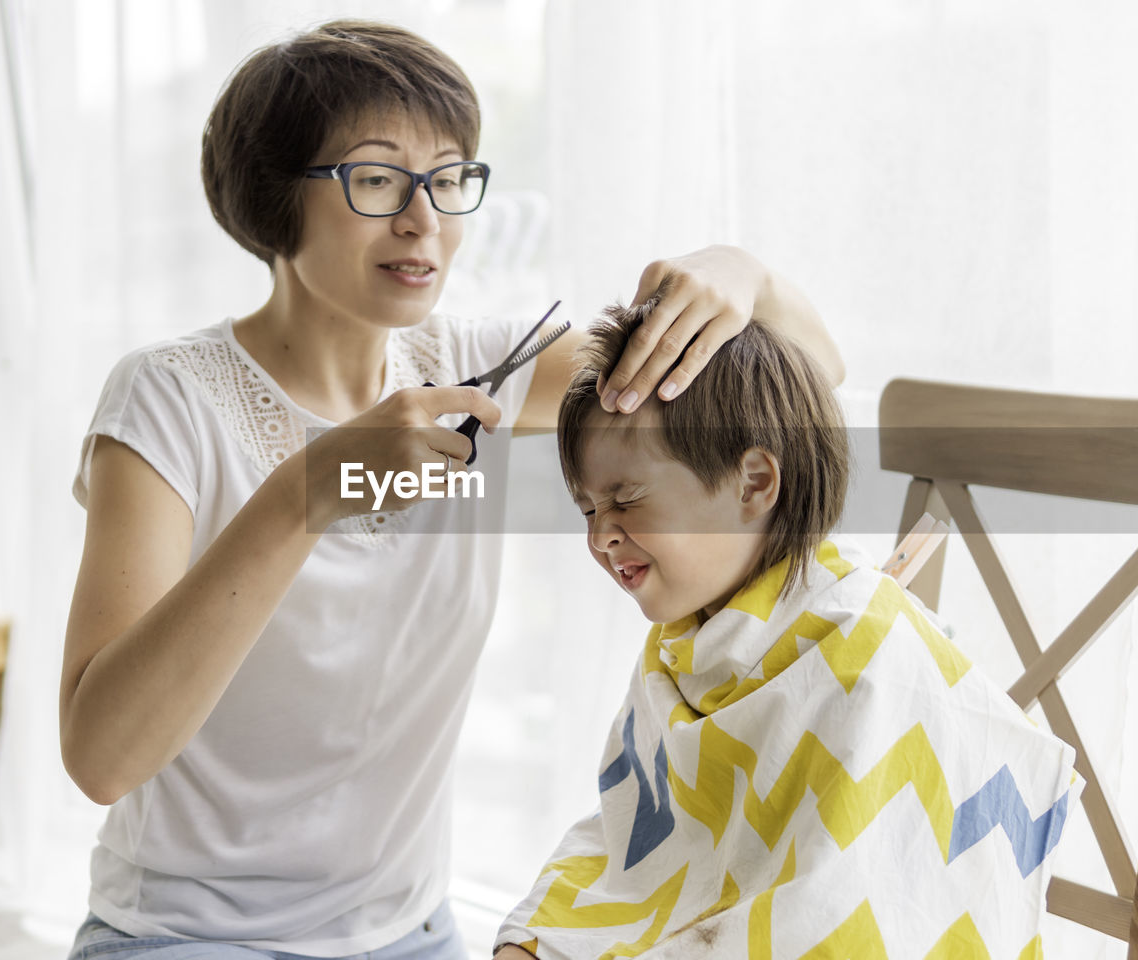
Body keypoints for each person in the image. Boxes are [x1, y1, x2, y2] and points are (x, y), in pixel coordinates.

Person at [60, 19, 843, 960]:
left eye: (450, 178)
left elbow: (812, 370)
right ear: (276, 199)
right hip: (182, 935)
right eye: (380, 178)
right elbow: (101, 759)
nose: (425, 219)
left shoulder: (484, 369)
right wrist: (311, 488)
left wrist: (740, 273)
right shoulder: (167, 400)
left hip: (409, 933)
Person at [493, 305, 1080, 958]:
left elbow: (836, 908)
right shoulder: (680, 643)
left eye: (625, 500)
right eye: (587, 508)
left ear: (754, 484)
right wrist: (531, 937)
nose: (600, 535)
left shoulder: (862, 657)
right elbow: (630, 835)